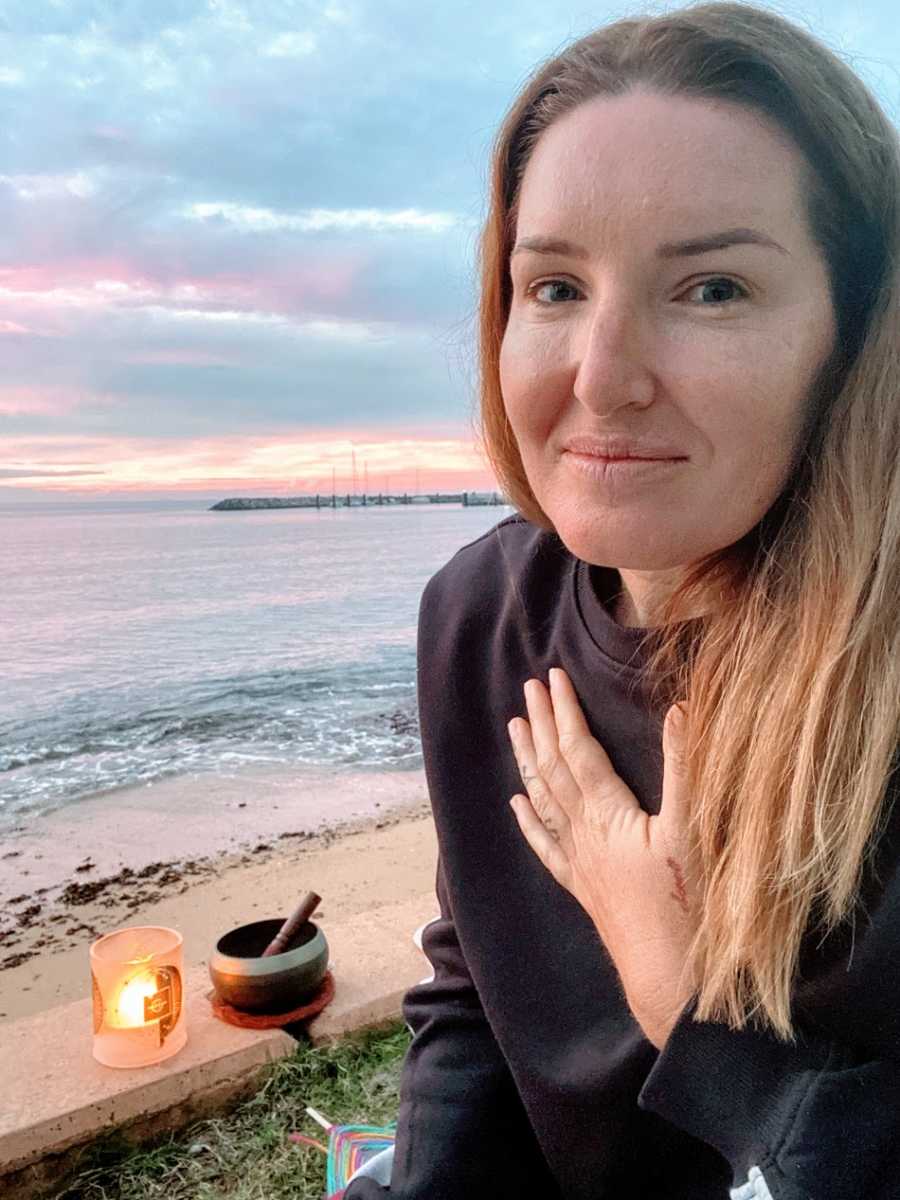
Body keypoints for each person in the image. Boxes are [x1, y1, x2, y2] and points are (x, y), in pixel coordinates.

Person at [345, 3, 900, 1197]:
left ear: (850, 336)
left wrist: (681, 996)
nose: (604, 377)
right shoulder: (479, 616)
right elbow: (476, 986)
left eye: (711, 288)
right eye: (554, 287)